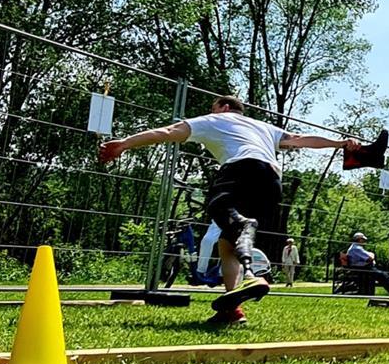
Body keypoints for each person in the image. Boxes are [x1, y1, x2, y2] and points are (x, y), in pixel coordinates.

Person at [99, 95, 360, 325]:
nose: (211, 112)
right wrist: (340, 143)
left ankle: (250, 271)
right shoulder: (263, 126)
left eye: (213, 108)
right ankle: (232, 308)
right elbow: (300, 140)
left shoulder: (215, 120)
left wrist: (124, 144)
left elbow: (168, 132)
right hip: (271, 182)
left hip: (241, 170)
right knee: (227, 243)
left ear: (223, 108)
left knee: (218, 206)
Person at [346, 232, 389, 298]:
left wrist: (371, 255)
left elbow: (369, 256)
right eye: (363, 239)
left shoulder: (356, 247)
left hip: (363, 268)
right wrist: (372, 255)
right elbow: (370, 258)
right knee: (382, 275)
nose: (364, 241)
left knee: (383, 275)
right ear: (358, 239)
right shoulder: (356, 248)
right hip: (363, 269)